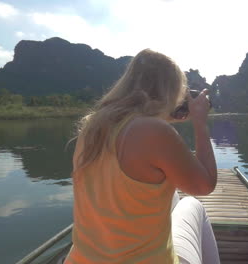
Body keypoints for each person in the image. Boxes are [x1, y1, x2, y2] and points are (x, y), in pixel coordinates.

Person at [64, 49, 220, 264]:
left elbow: (136, 135)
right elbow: (204, 186)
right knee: (193, 204)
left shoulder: (92, 126)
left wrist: (166, 117)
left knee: (171, 195)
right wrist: (200, 123)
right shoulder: (154, 131)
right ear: (170, 92)